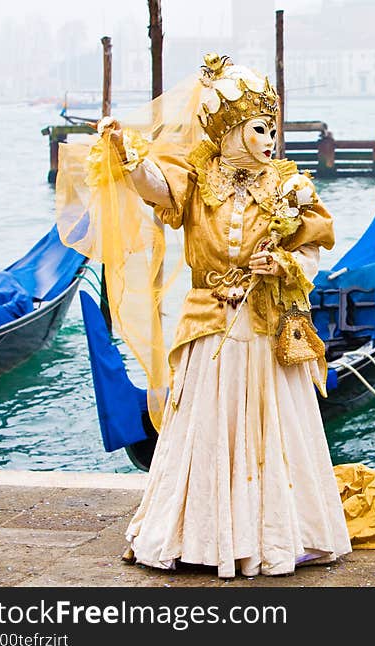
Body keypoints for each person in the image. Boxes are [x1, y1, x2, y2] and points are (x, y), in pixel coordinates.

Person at [58, 53, 352, 578]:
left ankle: (277, 533)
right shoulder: (197, 178)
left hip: (266, 327)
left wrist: (281, 261)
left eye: (272, 129)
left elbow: (313, 251)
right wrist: (124, 151)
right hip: (207, 322)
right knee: (206, 427)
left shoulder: (289, 185)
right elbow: (155, 187)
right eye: (259, 129)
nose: (269, 140)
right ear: (233, 131)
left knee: (273, 429)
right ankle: (204, 532)